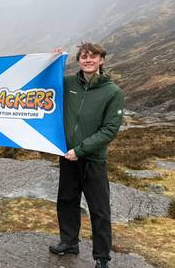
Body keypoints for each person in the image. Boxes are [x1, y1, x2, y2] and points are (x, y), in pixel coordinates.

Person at [49, 43, 124, 268]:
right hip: (67, 157)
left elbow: (110, 130)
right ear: (79, 60)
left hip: (93, 160)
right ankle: (69, 242)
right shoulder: (69, 83)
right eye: (83, 56)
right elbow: (45, 87)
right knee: (66, 201)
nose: (87, 60)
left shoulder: (113, 92)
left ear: (102, 60)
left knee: (99, 209)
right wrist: (53, 63)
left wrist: (80, 151)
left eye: (93, 57)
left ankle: (102, 257)